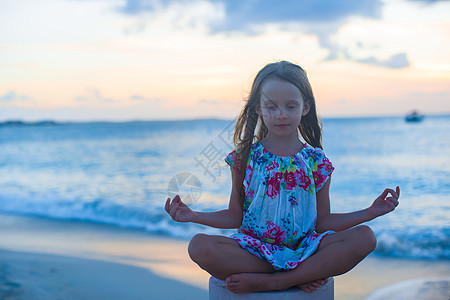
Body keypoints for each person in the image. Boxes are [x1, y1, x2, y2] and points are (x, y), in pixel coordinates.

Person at [165, 60, 400, 294]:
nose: (281, 115)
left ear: (305, 107)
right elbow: (234, 216)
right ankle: (297, 276)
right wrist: (194, 215)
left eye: (290, 106)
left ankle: (277, 281)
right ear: (258, 108)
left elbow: (323, 222)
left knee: (365, 238)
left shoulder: (317, 162)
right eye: (272, 107)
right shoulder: (245, 157)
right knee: (199, 246)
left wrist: (369, 212)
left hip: (306, 250)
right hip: (254, 251)